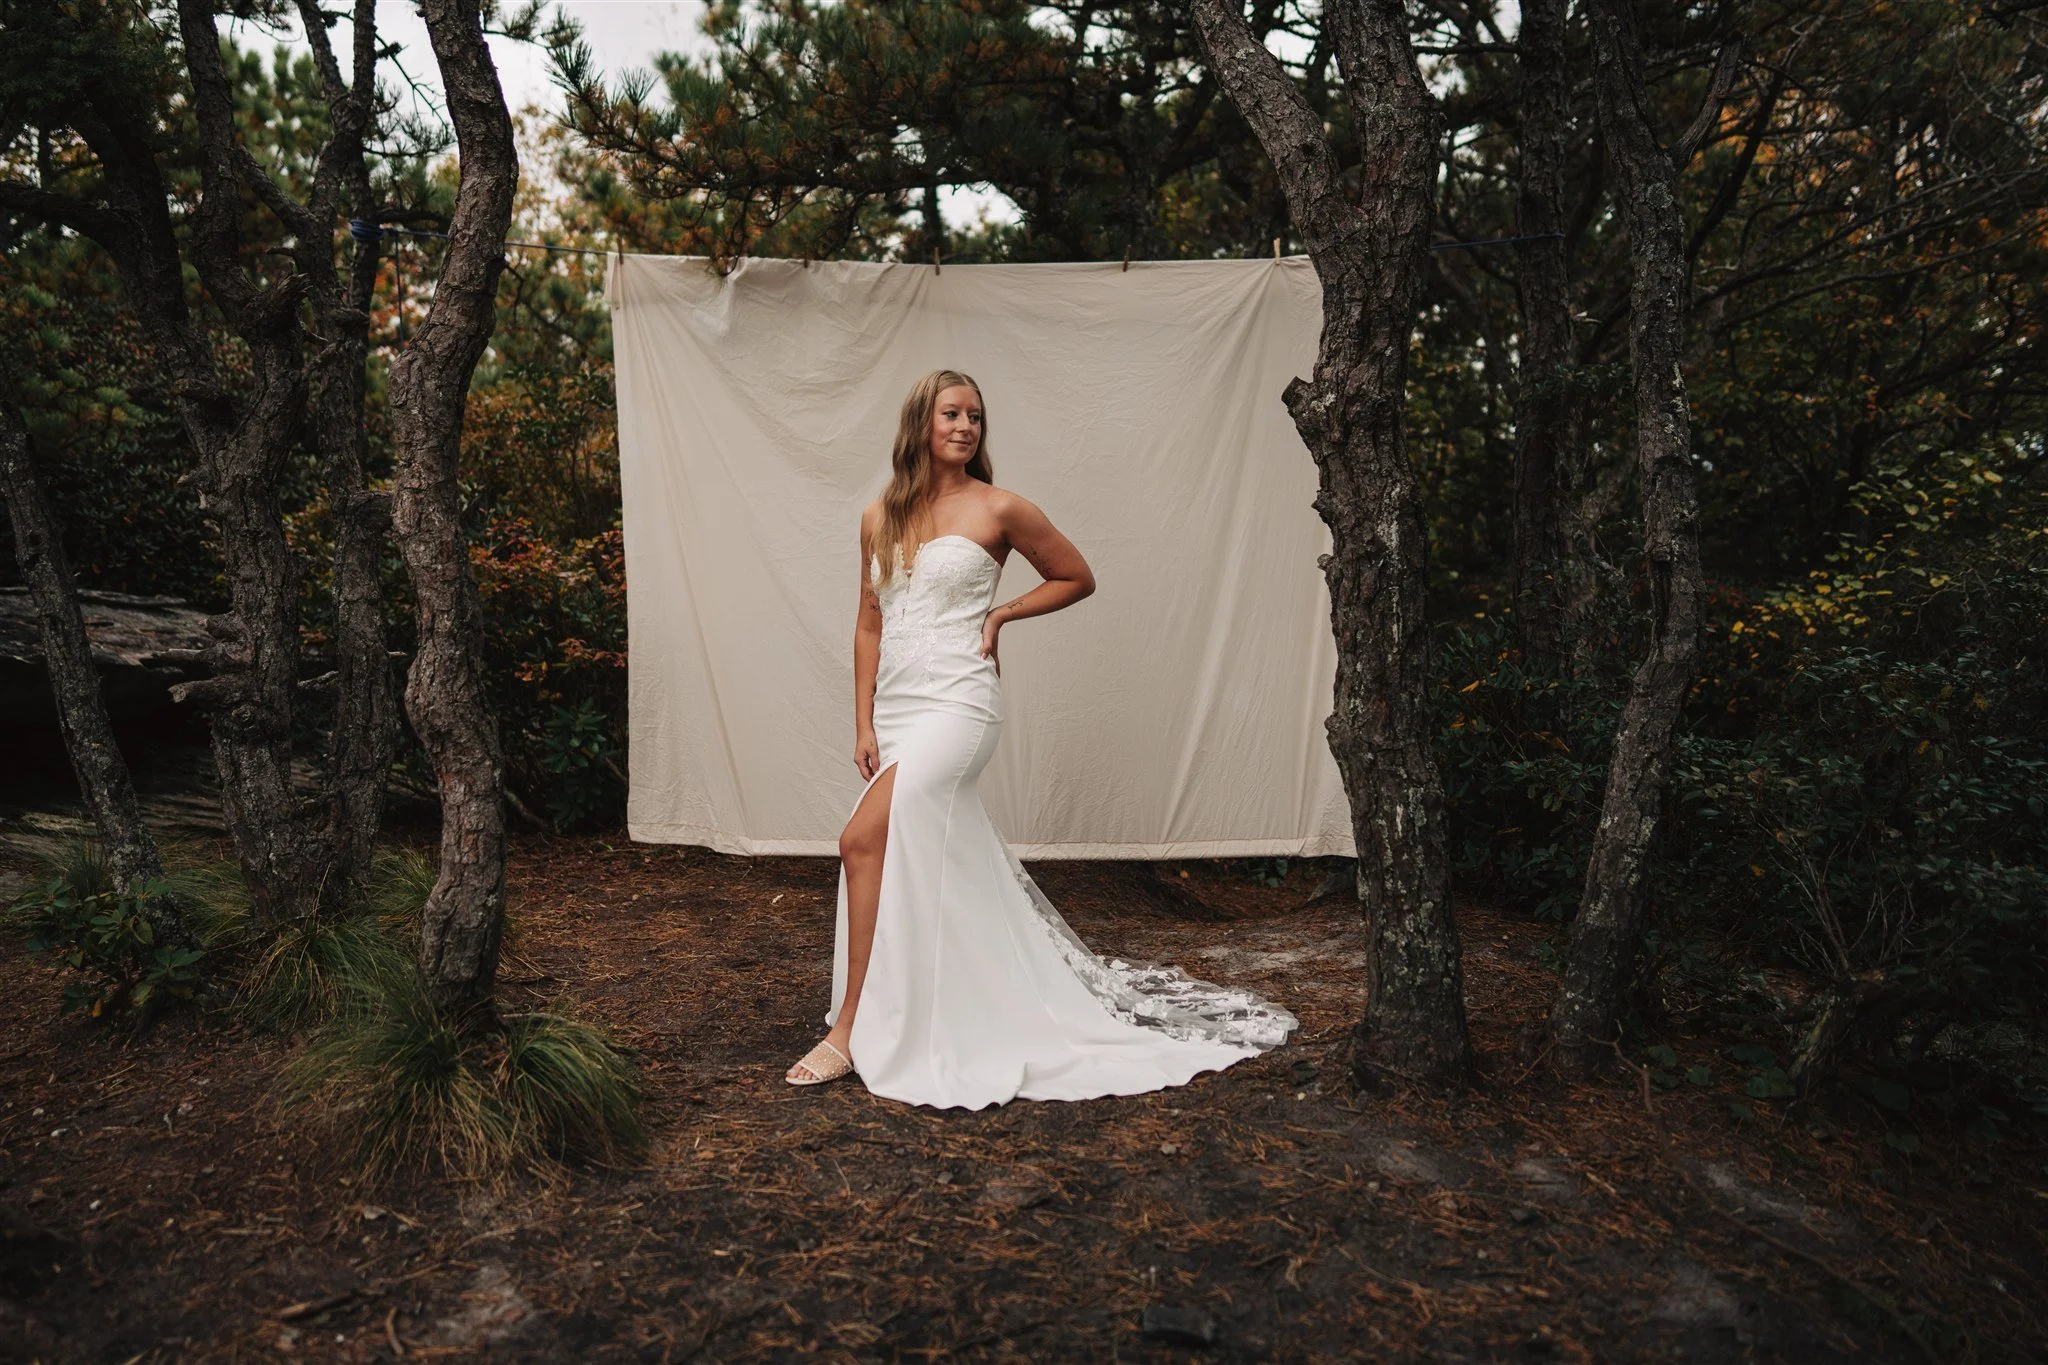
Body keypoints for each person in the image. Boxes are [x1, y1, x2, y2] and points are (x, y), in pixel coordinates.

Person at [784, 369, 1296, 1106]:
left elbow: (1075, 575)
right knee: (916, 856)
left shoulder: (1000, 507)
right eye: (951, 414)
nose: (966, 427)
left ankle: (849, 1028)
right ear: (920, 423)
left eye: (975, 416)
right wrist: (862, 720)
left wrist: (1001, 614)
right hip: (897, 710)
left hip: (961, 702)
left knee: (861, 841)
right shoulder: (877, 517)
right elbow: (869, 623)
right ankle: (932, 1007)